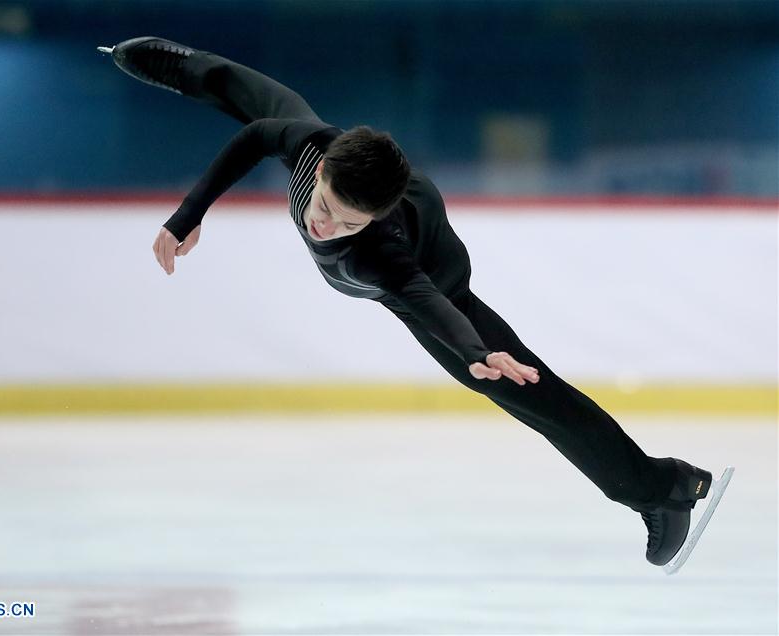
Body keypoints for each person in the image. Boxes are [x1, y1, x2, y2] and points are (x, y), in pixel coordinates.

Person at [100, 36, 728, 569]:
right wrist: (187, 215)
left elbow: (430, 300)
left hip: (438, 277)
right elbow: (256, 126)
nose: (323, 226)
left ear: (372, 217)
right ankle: (143, 54)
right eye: (323, 208)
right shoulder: (311, 147)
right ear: (318, 172)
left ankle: (664, 488)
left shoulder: (383, 255)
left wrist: (478, 351)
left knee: (534, 395)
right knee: (232, 83)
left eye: (345, 222)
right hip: (381, 200)